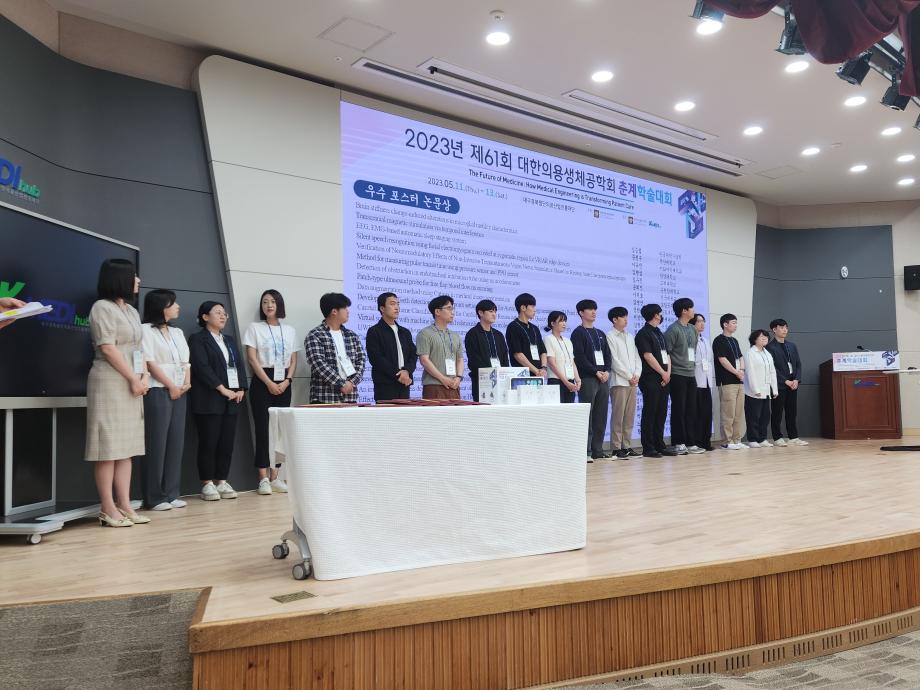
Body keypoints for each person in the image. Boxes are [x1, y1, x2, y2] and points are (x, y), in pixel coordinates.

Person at [85, 258, 150, 527]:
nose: (138, 280)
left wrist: (143, 376)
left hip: (132, 381)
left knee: (127, 447)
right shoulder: (101, 307)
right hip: (110, 382)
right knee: (109, 447)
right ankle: (107, 507)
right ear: (119, 278)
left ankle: (125, 505)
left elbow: (138, 348)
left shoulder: (131, 311)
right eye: (134, 276)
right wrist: (133, 378)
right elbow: (108, 348)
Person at [244, 289, 300, 496]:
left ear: (279, 305)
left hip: (284, 380)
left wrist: (287, 380)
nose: (269, 305)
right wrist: (268, 382)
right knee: (263, 429)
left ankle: (275, 476)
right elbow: (252, 359)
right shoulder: (254, 328)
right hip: (262, 380)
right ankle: (263, 478)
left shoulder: (290, 330)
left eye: (273, 302)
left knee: (279, 431)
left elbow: (294, 359)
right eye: (265, 302)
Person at [188, 301, 246, 500]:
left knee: (226, 443)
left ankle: (222, 481)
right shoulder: (198, 339)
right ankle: (207, 484)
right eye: (218, 313)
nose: (223, 316)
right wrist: (222, 389)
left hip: (232, 399)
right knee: (209, 442)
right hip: (209, 399)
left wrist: (241, 388)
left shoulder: (228, 340)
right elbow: (201, 367)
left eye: (224, 313)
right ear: (205, 317)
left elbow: (238, 365)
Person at [140, 289, 190, 512]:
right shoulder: (145, 330)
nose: (177, 306)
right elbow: (150, 363)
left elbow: (186, 362)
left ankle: (171, 493)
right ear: (161, 306)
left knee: (175, 442)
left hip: (180, 390)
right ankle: (154, 497)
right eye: (173, 303)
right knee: (157, 443)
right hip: (158, 390)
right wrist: (171, 385)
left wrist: (186, 383)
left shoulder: (177, 332)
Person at [304, 293, 365, 404]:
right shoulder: (315, 335)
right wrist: (341, 384)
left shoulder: (352, 335)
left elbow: (361, 361)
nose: (348, 311)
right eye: (345, 308)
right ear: (334, 311)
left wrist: (352, 383)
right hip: (325, 398)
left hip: (349, 398)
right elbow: (319, 364)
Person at [571, 299, 612, 461]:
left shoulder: (600, 333)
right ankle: (586, 451)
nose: (594, 312)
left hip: (603, 379)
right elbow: (580, 358)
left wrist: (607, 371)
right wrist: (596, 372)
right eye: (590, 309)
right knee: (587, 415)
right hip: (588, 378)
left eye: (595, 309)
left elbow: (608, 355)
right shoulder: (578, 333)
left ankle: (598, 449)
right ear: (581, 313)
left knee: (601, 414)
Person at [635, 304, 676, 459]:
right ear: (654, 315)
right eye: (659, 313)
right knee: (650, 412)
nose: (661, 315)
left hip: (664, 378)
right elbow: (648, 356)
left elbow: (667, 355)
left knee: (661, 412)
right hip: (650, 378)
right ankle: (648, 447)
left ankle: (660, 444)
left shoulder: (659, 333)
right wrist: (662, 373)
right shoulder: (643, 334)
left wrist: (668, 374)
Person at [665, 297, 704, 455]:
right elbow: (667, 352)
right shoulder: (673, 329)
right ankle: (678, 442)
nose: (693, 311)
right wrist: (668, 372)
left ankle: (691, 442)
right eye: (691, 308)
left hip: (690, 374)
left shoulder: (692, 329)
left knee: (691, 409)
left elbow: (693, 349)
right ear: (684, 311)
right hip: (677, 374)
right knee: (679, 409)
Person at [366, 292, 418, 402]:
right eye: (392, 304)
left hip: (404, 383)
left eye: (398, 304)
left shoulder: (405, 332)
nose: (397, 307)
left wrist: (407, 371)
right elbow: (376, 359)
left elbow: (413, 355)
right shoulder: (374, 331)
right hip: (385, 384)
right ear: (382, 308)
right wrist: (399, 375)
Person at [606, 307, 642, 459]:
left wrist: (637, 375)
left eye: (627, 317)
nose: (626, 320)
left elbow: (637, 358)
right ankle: (616, 448)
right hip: (619, 381)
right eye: (623, 317)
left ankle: (626, 446)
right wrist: (628, 376)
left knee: (629, 416)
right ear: (615, 319)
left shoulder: (630, 336)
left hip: (633, 382)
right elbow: (614, 360)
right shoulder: (610, 336)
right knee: (618, 415)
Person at [766, 318, 808, 447]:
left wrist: (796, 379)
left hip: (793, 384)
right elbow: (771, 368)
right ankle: (777, 437)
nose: (785, 330)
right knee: (777, 412)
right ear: (774, 329)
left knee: (792, 412)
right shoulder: (769, 347)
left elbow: (798, 364)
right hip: (779, 385)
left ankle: (793, 437)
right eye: (781, 327)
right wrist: (785, 381)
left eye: (786, 327)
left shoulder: (792, 346)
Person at [417, 295, 464, 399]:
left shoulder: (455, 336)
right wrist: (442, 378)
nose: (452, 312)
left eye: (452, 309)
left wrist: (459, 377)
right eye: (449, 308)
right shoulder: (425, 333)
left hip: (453, 386)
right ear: (437, 312)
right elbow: (424, 360)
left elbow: (460, 359)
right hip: (434, 386)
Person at [713, 313, 747, 450]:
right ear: (725, 324)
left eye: (736, 322)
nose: (735, 325)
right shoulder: (718, 340)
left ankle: (737, 440)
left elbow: (740, 357)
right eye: (733, 322)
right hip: (727, 382)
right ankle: (726, 441)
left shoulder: (734, 340)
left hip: (739, 381)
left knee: (738, 413)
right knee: (728, 413)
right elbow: (722, 360)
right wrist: (736, 372)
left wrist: (742, 370)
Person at [464, 299, 509, 401]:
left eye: (495, 311)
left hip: (500, 381)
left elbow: (505, 357)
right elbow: (474, 359)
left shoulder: (498, 335)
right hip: (482, 382)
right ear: (480, 313)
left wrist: (504, 373)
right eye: (491, 311)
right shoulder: (473, 334)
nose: (494, 314)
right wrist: (491, 374)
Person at [743, 329, 778, 448]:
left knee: (765, 416)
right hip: (754, 392)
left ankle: (762, 438)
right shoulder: (750, 353)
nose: (765, 338)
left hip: (766, 391)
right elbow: (750, 372)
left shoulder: (767, 353)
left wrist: (774, 389)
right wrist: (755, 389)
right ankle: (752, 439)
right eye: (761, 336)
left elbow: (772, 372)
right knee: (753, 416)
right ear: (754, 339)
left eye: (766, 336)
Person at [506, 293, 548, 378]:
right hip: (521, 375)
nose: (534, 310)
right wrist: (536, 370)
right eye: (532, 306)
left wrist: (543, 368)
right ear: (523, 308)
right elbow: (518, 354)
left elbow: (543, 351)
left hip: (538, 375)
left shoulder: (535, 328)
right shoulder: (513, 327)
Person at [543, 311, 580, 403]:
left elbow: (572, 362)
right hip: (556, 381)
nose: (564, 323)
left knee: (569, 410)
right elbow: (552, 363)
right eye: (561, 321)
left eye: (565, 321)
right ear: (552, 323)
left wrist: (578, 380)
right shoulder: (548, 339)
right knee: (558, 410)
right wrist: (566, 382)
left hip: (570, 382)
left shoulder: (568, 341)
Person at [690, 314, 715, 452]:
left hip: (706, 381)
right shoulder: (690, 339)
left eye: (703, 321)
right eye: (699, 321)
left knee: (706, 412)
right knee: (695, 412)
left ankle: (706, 441)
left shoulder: (705, 340)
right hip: (695, 380)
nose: (702, 324)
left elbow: (709, 360)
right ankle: (695, 441)